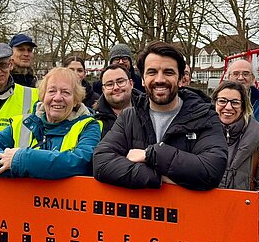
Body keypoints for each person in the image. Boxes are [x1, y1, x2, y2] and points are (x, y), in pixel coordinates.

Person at [93, 41, 228, 190]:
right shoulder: (129, 117)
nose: (159, 79)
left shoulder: (205, 117)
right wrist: (157, 177)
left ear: (181, 79)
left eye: (168, 72)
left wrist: (151, 155)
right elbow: (101, 162)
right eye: (152, 72)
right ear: (143, 80)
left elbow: (211, 170)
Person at [0, 67, 101, 179]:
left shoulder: (89, 126)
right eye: (52, 91)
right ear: (43, 96)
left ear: (76, 100)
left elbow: (82, 162)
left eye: (66, 92)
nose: (57, 98)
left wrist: (21, 161)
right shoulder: (23, 123)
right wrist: (28, 168)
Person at [212, 81, 259, 190]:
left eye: (235, 102)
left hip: (244, 205)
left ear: (243, 106)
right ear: (214, 104)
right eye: (222, 101)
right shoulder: (201, 135)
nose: (228, 107)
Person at [94, 64, 143, 137]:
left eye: (120, 82)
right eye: (109, 84)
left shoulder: (149, 111)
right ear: (103, 90)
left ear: (131, 84)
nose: (116, 87)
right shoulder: (95, 123)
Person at [227, 59, 259, 135]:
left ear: (253, 78)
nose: (241, 78)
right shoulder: (220, 102)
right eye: (236, 74)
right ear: (229, 77)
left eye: (246, 74)